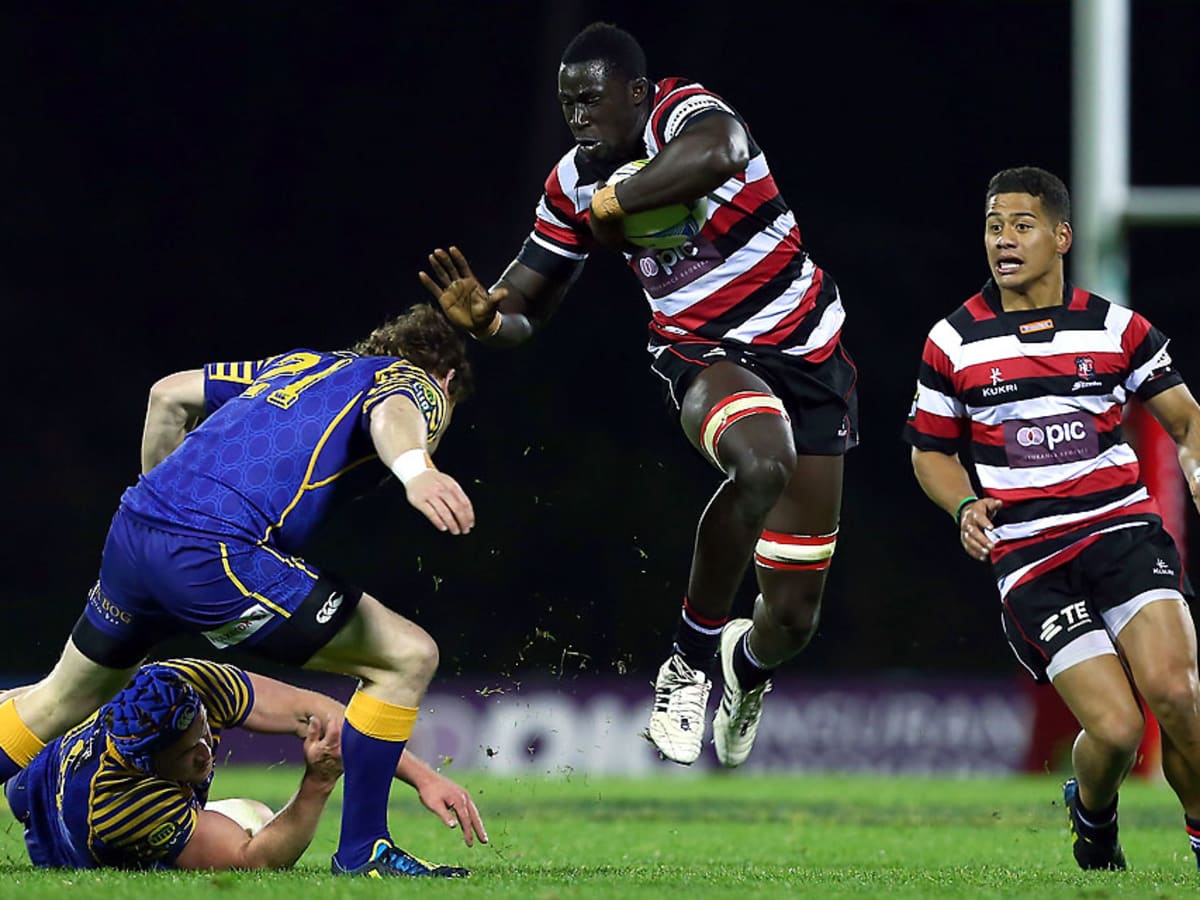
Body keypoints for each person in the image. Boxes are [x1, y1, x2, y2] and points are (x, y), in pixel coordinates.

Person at [419, 22, 857, 769]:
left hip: (810, 350)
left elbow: (723, 151)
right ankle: (687, 666)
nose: (578, 117)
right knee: (760, 462)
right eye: (567, 104)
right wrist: (488, 320)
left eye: (591, 99)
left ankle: (745, 667)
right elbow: (525, 306)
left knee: (791, 617)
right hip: (702, 352)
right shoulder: (569, 182)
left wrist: (613, 204)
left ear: (636, 91)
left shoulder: (682, 112)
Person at [0, 303, 487, 877]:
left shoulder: (296, 366)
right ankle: (364, 852)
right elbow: (396, 409)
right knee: (407, 655)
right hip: (213, 555)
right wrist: (416, 469)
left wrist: (168, 504)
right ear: (446, 381)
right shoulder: (412, 380)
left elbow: (167, 396)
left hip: (135, 533)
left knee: (58, 700)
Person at [904, 165, 1200, 871]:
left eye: (1021, 225)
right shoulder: (954, 340)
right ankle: (1093, 814)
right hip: (1032, 559)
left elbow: (1186, 420)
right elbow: (930, 452)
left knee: (1176, 693)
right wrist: (964, 504)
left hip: (1122, 532)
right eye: (993, 226)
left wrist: (1195, 462)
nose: (1003, 240)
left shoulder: (1116, 327)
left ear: (1061, 237)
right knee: (1118, 730)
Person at [3, 657, 484, 871]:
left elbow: (321, 715)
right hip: (50, 811)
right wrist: (317, 781)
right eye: (188, 752)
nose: (206, 748)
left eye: (203, 729)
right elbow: (254, 861)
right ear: (149, 765)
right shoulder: (123, 805)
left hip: (76, 745)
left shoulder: (183, 683)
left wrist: (423, 777)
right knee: (254, 820)